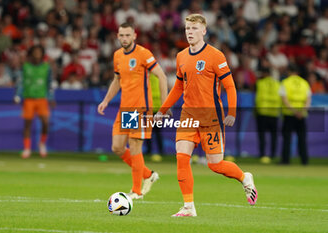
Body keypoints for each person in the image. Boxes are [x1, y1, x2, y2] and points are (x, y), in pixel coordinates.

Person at [155, 14, 258, 217]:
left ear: (204, 31)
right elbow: (177, 87)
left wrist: (232, 113)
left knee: (215, 164)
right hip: (188, 115)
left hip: (211, 116)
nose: (190, 32)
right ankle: (188, 207)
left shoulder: (215, 56)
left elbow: (229, 86)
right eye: (187, 28)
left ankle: (244, 177)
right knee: (182, 158)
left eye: (194, 28)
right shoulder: (181, 56)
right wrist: (162, 109)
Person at [97, 22, 169, 199]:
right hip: (126, 109)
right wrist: (106, 100)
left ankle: (136, 191)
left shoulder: (143, 54)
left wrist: (164, 107)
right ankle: (148, 175)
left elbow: (162, 75)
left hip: (142, 108)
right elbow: (117, 80)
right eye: (121, 35)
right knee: (117, 147)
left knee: (135, 145)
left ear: (134, 36)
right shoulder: (117, 56)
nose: (124, 38)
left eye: (127, 35)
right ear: (117, 36)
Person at [14, 45, 55, 159]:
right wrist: (17, 95)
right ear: (31, 54)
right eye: (35, 52)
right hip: (29, 98)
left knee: (45, 123)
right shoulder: (25, 67)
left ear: (42, 54)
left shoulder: (47, 67)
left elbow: (50, 83)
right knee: (27, 124)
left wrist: (51, 98)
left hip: (42, 98)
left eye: (39, 52)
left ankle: (42, 144)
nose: (37, 54)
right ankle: (27, 148)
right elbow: (20, 82)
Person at [280, 64, 311, 165]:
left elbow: (284, 100)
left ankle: (285, 160)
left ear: (289, 72)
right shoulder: (304, 83)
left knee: (287, 138)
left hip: (289, 115)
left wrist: (294, 111)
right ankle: (304, 160)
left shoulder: (285, 82)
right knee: (302, 138)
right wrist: (302, 111)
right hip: (302, 115)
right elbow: (308, 99)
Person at [255, 68, 281, 164]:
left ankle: (262, 154)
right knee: (274, 136)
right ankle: (273, 155)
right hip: (274, 113)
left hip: (262, 112)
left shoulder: (260, 83)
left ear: (264, 74)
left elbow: (257, 98)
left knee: (262, 136)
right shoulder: (277, 84)